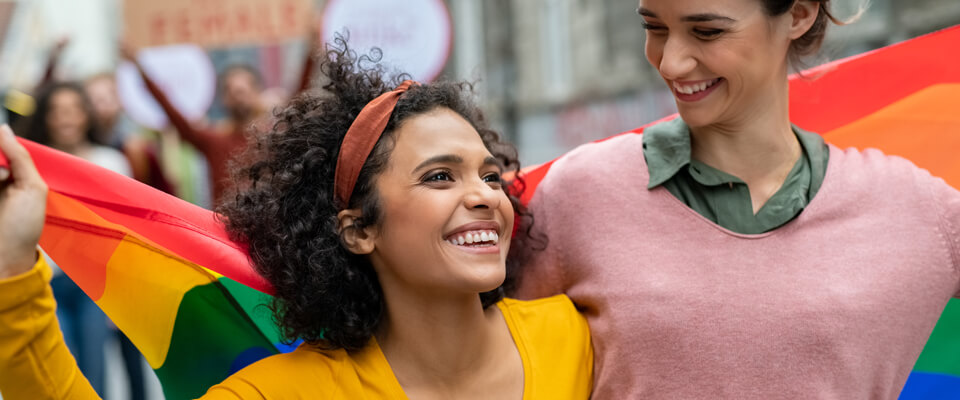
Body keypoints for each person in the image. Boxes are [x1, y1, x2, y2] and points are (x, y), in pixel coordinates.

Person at [0, 38, 593, 399]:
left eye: (491, 175)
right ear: (358, 229)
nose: (487, 195)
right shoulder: (280, 393)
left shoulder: (580, 333)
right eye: (440, 176)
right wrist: (12, 274)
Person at [511, 0, 960, 399]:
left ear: (799, 14)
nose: (671, 62)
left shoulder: (916, 209)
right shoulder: (580, 193)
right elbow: (495, 367)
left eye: (707, 31)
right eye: (655, 27)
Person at [15, 81, 133, 398]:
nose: (65, 119)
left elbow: (127, 234)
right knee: (56, 375)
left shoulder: (111, 162)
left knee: (95, 375)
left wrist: (121, 299)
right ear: (46, 118)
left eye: (73, 110)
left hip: (95, 287)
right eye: (56, 111)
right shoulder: (29, 167)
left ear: (86, 115)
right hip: (47, 283)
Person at [118, 34, 317, 206]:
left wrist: (311, 49)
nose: (238, 95)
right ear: (223, 99)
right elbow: (174, 115)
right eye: (231, 90)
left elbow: (299, 98)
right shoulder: (213, 141)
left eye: (244, 89)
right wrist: (139, 67)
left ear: (258, 92)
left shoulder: (276, 136)